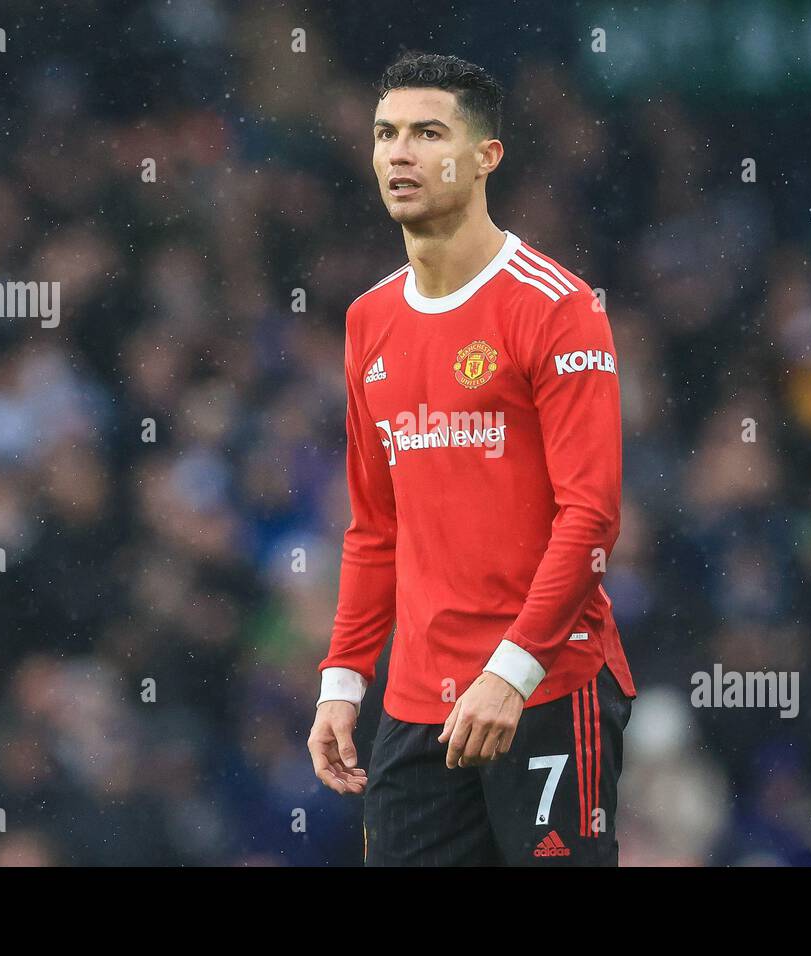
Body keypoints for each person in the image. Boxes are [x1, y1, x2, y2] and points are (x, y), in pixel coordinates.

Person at [307, 50, 636, 866]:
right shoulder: (367, 322)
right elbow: (373, 526)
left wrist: (512, 674)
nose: (400, 154)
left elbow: (590, 517)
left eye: (427, 132)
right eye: (386, 134)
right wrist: (344, 680)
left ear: (487, 156)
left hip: (549, 692)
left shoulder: (556, 307)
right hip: (418, 712)